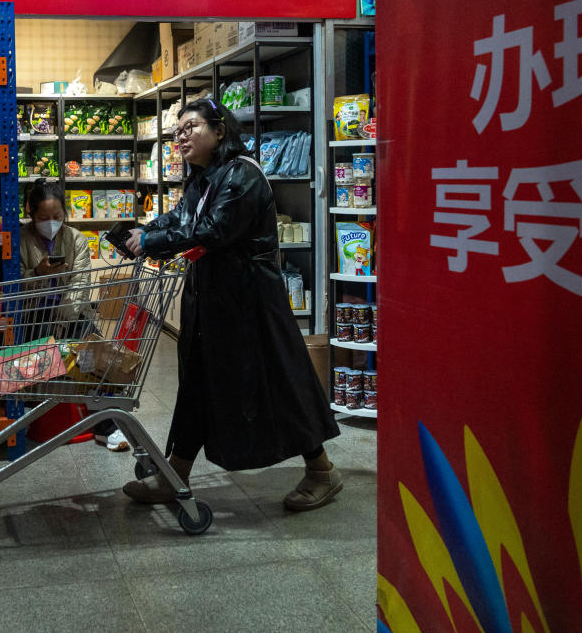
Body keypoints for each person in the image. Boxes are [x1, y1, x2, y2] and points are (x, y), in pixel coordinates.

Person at [121, 98, 342, 511]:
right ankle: (176, 474)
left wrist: (151, 242)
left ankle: (322, 471)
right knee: (197, 384)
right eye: (178, 131)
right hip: (215, 299)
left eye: (191, 127)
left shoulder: (243, 175)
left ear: (220, 131)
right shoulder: (204, 178)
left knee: (280, 382)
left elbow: (212, 230)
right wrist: (144, 229)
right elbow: (180, 218)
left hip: (252, 303)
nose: (181, 136)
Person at [19, 177, 129, 451]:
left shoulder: (75, 238)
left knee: (93, 351)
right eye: (44, 217)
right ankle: (29, 416)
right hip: (33, 316)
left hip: (69, 317)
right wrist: (39, 273)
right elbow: (16, 282)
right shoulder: (20, 240)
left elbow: (80, 284)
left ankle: (106, 426)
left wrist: (64, 325)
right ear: (30, 214)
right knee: (36, 352)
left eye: (57, 216)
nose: (51, 222)